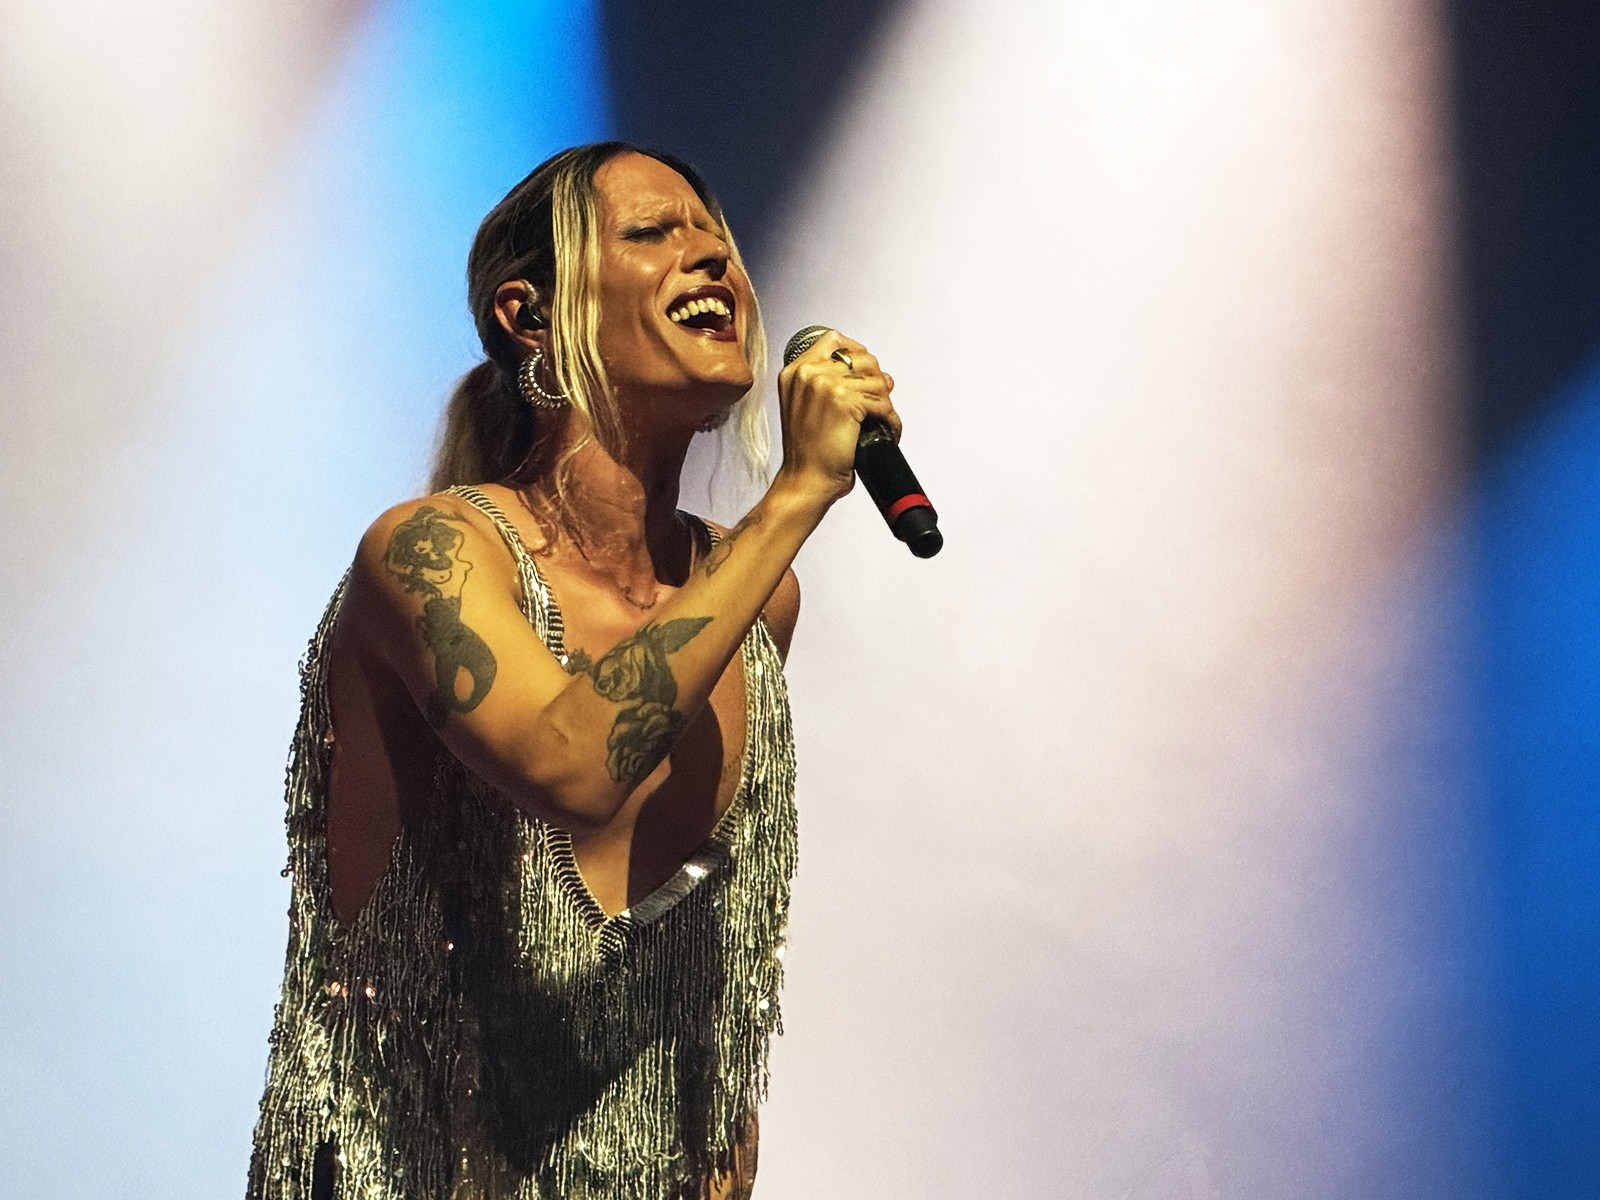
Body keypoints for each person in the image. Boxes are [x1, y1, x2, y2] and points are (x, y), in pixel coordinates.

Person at [246, 142, 900, 1200]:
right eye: (653, 233)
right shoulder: (430, 554)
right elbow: (573, 768)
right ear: (529, 315)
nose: (713, 260)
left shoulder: (753, 603)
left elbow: (706, 992)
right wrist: (795, 496)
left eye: (718, 240)